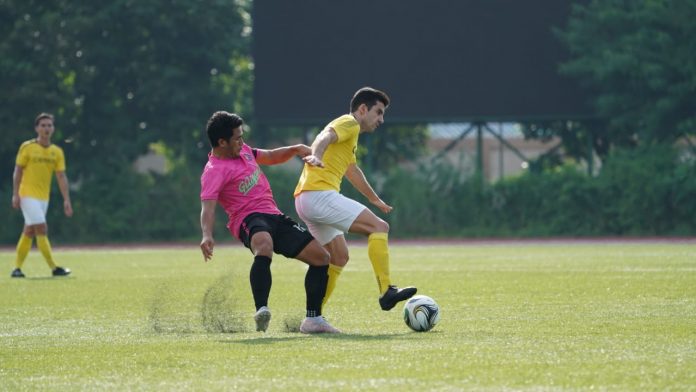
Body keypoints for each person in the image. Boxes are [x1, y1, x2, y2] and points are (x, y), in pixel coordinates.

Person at [199, 111, 340, 334]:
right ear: (221, 142)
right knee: (264, 245)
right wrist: (207, 235)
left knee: (321, 257)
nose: (242, 141)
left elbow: (272, 156)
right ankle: (261, 309)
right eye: (237, 138)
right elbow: (208, 208)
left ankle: (314, 320)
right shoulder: (214, 171)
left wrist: (294, 149)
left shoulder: (243, 151)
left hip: (274, 215)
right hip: (247, 218)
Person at [294, 87, 416, 311]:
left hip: (306, 199)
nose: (381, 119)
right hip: (318, 195)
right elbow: (325, 136)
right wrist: (316, 155)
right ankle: (386, 290)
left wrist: (375, 199)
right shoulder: (349, 123)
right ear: (362, 109)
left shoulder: (351, 135)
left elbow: (352, 171)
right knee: (379, 227)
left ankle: (314, 316)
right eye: (378, 112)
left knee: (339, 257)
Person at [11, 113, 73, 278]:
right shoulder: (28, 147)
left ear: (53, 129)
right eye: (43, 125)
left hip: (43, 198)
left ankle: (16, 269)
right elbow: (18, 171)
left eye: (49, 125)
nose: (46, 128)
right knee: (42, 228)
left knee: (30, 231)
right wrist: (15, 194)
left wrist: (66, 199)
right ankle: (54, 268)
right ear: (37, 128)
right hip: (27, 195)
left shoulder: (56, 152)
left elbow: (61, 176)